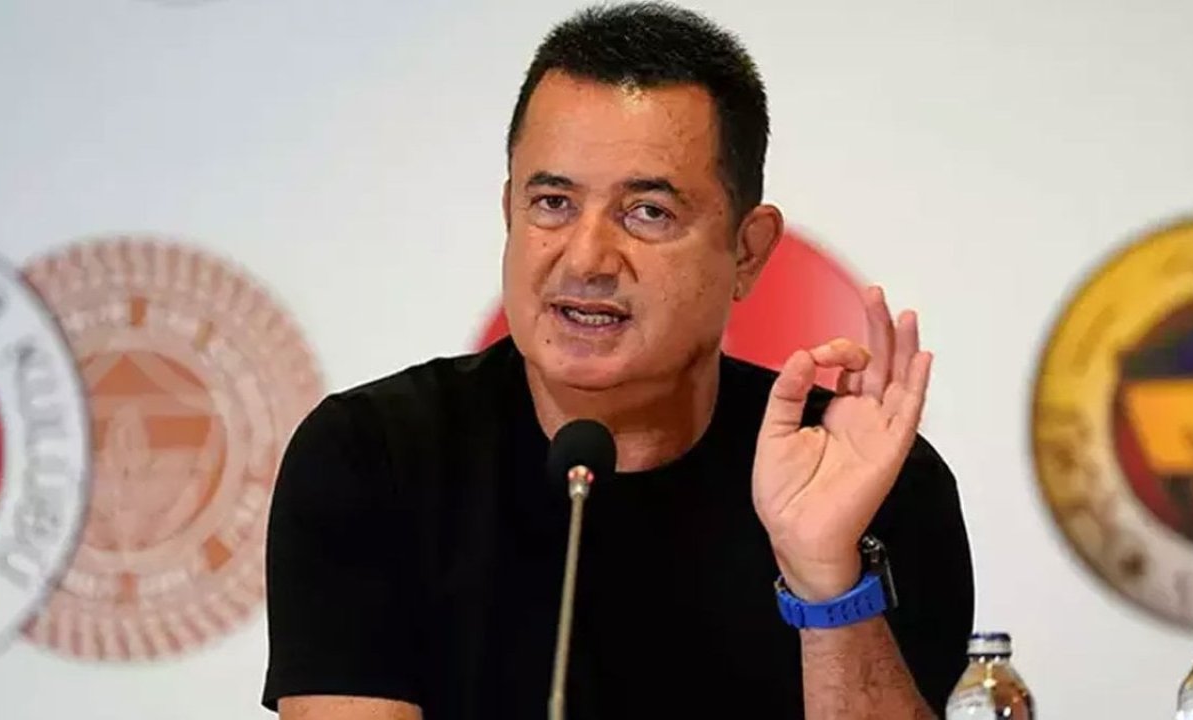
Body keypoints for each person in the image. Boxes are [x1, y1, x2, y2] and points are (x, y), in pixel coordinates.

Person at [260, 3, 974, 719]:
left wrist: (827, 582)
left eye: (647, 212)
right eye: (552, 202)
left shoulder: (861, 480)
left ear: (747, 250)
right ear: (509, 212)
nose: (586, 259)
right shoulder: (373, 457)